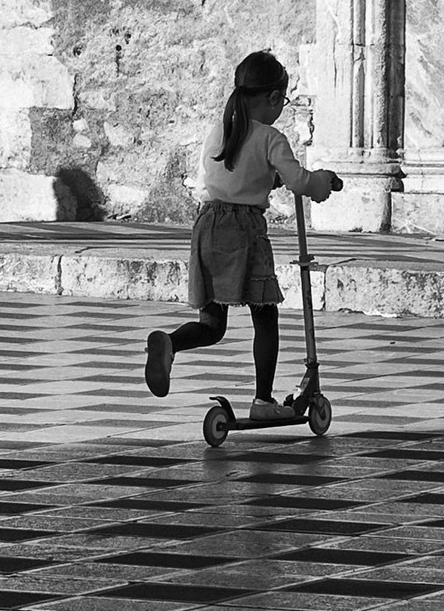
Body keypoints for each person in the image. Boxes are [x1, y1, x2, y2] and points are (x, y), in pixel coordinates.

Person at [142, 51, 339, 421]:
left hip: (207, 225)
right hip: (245, 231)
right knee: (265, 316)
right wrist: (323, 183)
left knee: (212, 324)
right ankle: (262, 401)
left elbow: (224, 176)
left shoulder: (221, 129)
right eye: (282, 100)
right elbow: (299, 181)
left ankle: (169, 343)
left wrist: (268, 177)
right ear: (272, 98)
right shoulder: (272, 138)